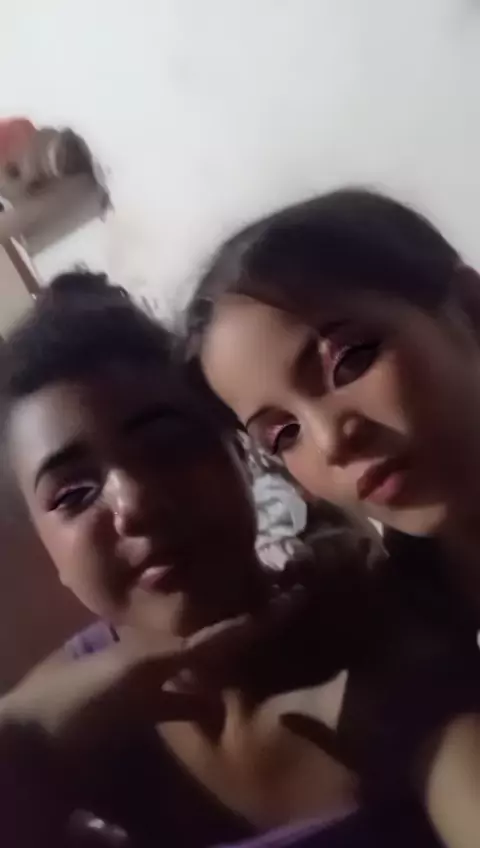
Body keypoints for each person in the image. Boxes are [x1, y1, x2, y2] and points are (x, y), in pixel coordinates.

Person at [0, 270, 401, 847]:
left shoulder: (384, 634)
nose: (134, 504)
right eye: (73, 494)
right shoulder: (59, 723)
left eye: (165, 445)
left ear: (241, 453)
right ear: (48, 549)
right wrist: (26, 737)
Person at [184, 188, 480, 846]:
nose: (330, 440)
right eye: (282, 434)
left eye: (349, 360)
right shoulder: (403, 623)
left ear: (470, 308)